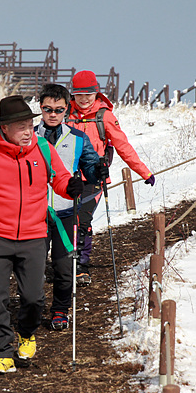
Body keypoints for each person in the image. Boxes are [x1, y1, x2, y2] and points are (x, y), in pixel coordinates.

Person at [0, 95, 84, 375]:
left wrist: (70, 186)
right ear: (5, 129)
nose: (27, 132)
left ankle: (26, 332)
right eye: (21, 127)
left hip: (34, 235)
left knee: (34, 297)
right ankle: (2, 353)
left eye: (29, 125)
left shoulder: (43, 149)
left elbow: (59, 178)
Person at [66, 70, 155, 285]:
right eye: (79, 94)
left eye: (89, 94)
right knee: (65, 221)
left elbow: (123, 146)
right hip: (66, 179)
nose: (84, 99)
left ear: (96, 93)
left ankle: (81, 266)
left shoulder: (104, 116)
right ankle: (64, 262)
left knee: (82, 220)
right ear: (73, 95)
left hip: (94, 179)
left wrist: (144, 172)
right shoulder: (64, 114)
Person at [34, 84, 100, 330]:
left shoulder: (77, 137)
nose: (53, 114)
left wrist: (98, 171)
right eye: (47, 109)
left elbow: (91, 168)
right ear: (40, 108)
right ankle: (33, 307)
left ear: (66, 110)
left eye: (59, 110)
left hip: (65, 213)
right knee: (34, 267)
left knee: (63, 267)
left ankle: (60, 310)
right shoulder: (29, 136)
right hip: (34, 214)